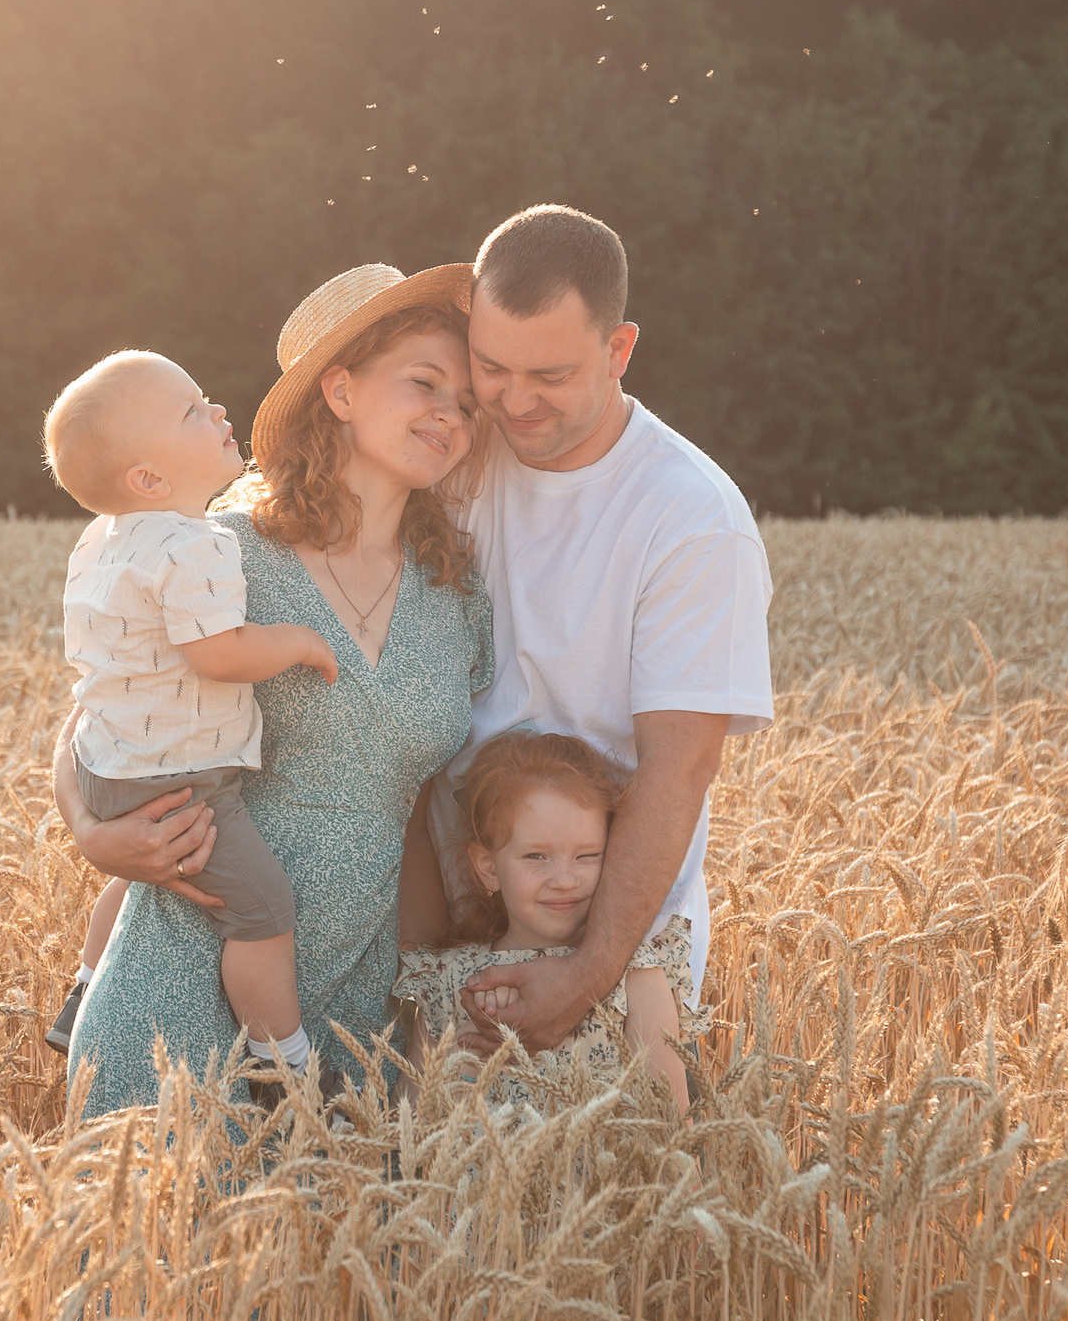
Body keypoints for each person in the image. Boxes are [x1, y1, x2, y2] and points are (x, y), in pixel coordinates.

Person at [52, 264, 493, 1117]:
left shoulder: (456, 598)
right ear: (340, 391)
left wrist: (422, 994)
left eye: (466, 403)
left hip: (349, 1008)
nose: (450, 412)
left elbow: (412, 814)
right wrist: (92, 835)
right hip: (178, 978)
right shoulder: (218, 551)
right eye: (424, 383)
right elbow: (93, 714)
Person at [408, 204, 774, 1076]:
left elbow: (676, 767)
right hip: (440, 924)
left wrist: (585, 972)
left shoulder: (690, 520)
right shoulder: (450, 454)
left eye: (550, 374)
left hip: (610, 941)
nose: (513, 400)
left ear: (619, 352)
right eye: (490, 367)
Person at [39, 351, 339, 1076]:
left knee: (135, 874)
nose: (218, 412)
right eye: (192, 411)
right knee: (261, 909)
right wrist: (295, 640)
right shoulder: (193, 544)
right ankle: (282, 1061)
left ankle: (84, 990)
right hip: (181, 778)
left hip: (106, 762)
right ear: (149, 480)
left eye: (205, 397)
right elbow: (222, 655)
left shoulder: (104, 537)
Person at [394, 730, 709, 1113]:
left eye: (588, 855)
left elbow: (673, 1131)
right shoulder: (445, 982)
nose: (564, 880)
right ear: (489, 868)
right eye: (536, 857)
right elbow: (405, 1131)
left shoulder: (636, 977)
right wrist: (463, 1068)